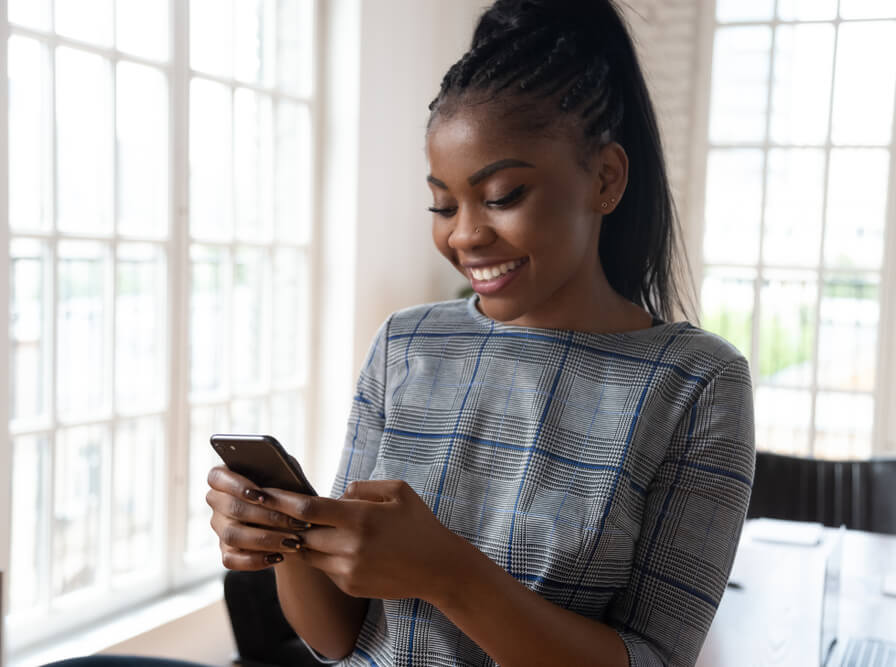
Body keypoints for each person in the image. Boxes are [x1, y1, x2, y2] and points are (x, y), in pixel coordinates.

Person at [206, 0, 755, 664]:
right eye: (443, 204)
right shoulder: (404, 346)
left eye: (502, 197)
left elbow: (657, 658)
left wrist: (448, 573)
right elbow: (335, 635)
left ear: (605, 178)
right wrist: (287, 535)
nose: (464, 235)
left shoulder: (696, 383)